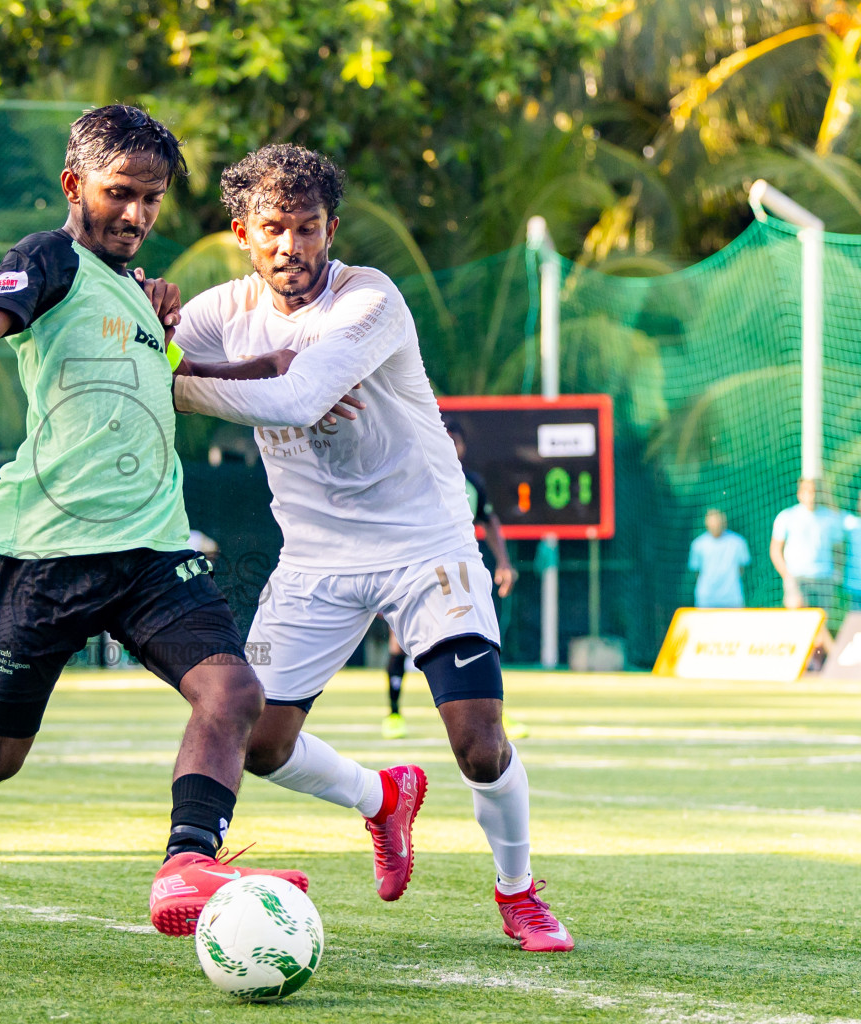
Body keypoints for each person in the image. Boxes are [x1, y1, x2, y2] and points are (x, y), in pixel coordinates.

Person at [164, 144, 573, 952]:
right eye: (273, 229)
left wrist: (184, 381)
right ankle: (382, 799)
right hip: (313, 558)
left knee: (478, 743)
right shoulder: (220, 311)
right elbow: (144, 359)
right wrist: (170, 344)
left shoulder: (370, 298)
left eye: (308, 227)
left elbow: (296, 396)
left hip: (426, 544)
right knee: (261, 742)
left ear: (332, 228)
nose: (292, 246)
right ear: (242, 233)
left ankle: (519, 893)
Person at [0, 105, 307, 938]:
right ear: (74, 185)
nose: (136, 213)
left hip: (154, 548)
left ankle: (188, 863)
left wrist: (264, 366)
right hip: (52, 550)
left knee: (234, 692)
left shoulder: (140, 294)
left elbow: (174, 376)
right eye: (119, 193)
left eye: (152, 198)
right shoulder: (50, 259)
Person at [382, 415, 520, 741]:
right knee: (398, 641)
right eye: (444, 438)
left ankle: (495, 713)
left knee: (478, 635)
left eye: (454, 440)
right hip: (415, 571)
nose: (449, 446)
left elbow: (489, 520)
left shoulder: (471, 483)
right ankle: (394, 713)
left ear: (462, 446)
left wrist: (503, 563)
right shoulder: (412, 477)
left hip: (458, 574)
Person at [770, 478, 844, 624]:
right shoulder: (787, 516)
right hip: (797, 578)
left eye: (814, 491)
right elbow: (775, 550)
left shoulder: (830, 517)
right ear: (799, 493)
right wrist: (787, 576)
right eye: (807, 491)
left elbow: (838, 549)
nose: (811, 495)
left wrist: (837, 572)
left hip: (824, 578)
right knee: (797, 623)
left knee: (821, 625)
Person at [688, 508, 749, 608]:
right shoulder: (698, 544)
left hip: (732, 599)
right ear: (706, 523)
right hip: (706, 600)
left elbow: (741, 569)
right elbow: (696, 571)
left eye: (717, 521)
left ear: (724, 522)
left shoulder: (738, 542)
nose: (715, 525)